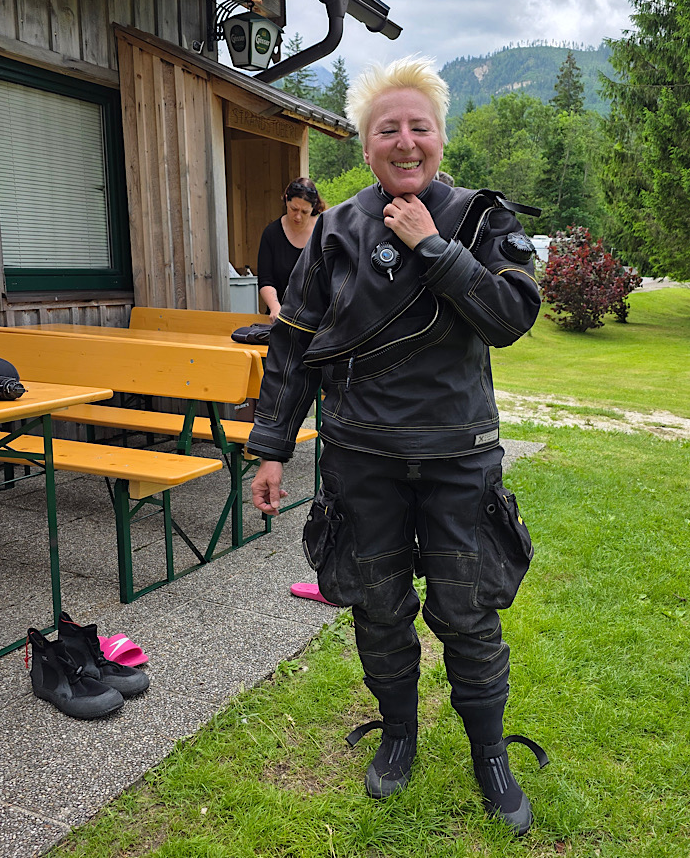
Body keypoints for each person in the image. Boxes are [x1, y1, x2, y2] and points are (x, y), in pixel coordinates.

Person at [246, 56, 547, 834]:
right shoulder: (336, 229)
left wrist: (434, 247)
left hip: (458, 455)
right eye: (388, 129)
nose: (405, 141)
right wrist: (272, 447)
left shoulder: (480, 219)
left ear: (441, 136)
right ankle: (400, 735)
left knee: (468, 612)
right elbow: (294, 343)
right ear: (365, 143)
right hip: (362, 459)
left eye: (420, 126)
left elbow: (510, 317)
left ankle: (490, 755)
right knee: (378, 608)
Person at [257, 177, 325, 321]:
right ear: (286, 200)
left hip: (318, 319)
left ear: (313, 208)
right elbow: (266, 280)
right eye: (294, 209)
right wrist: (275, 307)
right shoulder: (271, 234)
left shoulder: (324, 231)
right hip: (281, 317)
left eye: (305, 212)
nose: (298, 217)